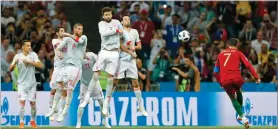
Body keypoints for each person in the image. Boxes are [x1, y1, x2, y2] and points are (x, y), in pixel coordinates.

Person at [79, 7, 123, 117]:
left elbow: (122, 34)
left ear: (112, 14)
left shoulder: (117, 22)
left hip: (114, 53)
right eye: (106, 15)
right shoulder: (101, 24)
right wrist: (116, 31)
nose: (108, 16)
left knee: (110, 78)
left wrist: (123, 35)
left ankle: (106, 103)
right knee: (96, 73)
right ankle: (87, 97)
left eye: (109, 14)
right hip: (103, 51)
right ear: (103, 16)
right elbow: (104, 33)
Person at [213, 38, 261, 129]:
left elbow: (215, 72)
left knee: (232, 97)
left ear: (227, 45)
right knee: (238, 90)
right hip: (237, 78)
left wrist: (221, 83)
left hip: (225, 79)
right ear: (237, 45)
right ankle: (240, 114)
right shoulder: (239, 53)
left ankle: (243, 117)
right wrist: (256, 77)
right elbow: (248, 65)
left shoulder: (220, 54)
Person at [112, 15, 148, 116]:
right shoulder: (119, 32)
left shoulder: (135, 32)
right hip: (121, 60)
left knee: (136, 83)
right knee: (115, 82)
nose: (127, 20)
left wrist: (132, 47)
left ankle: (141, 106)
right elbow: (120, 45)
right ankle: (106, 103)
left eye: (128, 19)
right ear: (121, 22)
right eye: (125, 19)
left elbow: (139, 46)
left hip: (131, 60)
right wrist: (129, 50)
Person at [55, 23, 87, 122]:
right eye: (78, 29)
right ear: (74, 29)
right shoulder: (68, 40)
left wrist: (67, 35)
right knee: (61, 87)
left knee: (69, 90)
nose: (80, 31)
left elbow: (79, 40)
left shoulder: (84, 38)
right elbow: (58, 48)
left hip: (77, 68)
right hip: (67, 66)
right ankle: (58, 110)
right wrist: (59, 53)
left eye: (81, 29)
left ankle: (64, 112)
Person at [9, 40, 43, 128]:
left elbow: (40, 66)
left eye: (30, 45)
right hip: (21, 84)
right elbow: (10, 69)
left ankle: (32, 121)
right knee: (22, 102)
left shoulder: (33, 55)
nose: (29, 47)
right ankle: (21, 122)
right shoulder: (17, 56)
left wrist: (30, 62)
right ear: (23, 47)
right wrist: (14, 65)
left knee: (33, 104)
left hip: (32, 84)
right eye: (27, 46)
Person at [76, 52, 110, 128]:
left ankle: (105, 121)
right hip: (84, 84)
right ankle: (78, 123)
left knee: (102, 103)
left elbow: (99, 63)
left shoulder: (92, 55)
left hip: (94, 83)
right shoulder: (77, 59)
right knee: (81, 104)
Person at [46, 26, 67, 121]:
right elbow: (60, 51)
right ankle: (51, 110)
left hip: (66, 68)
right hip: (57, 68)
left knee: (64, 90)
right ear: (57, 33)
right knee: (54, 90)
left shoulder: (67, 40)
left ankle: (61, 111)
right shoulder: (55, 41)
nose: (63, 32)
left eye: (64, 30)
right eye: (61, 31)